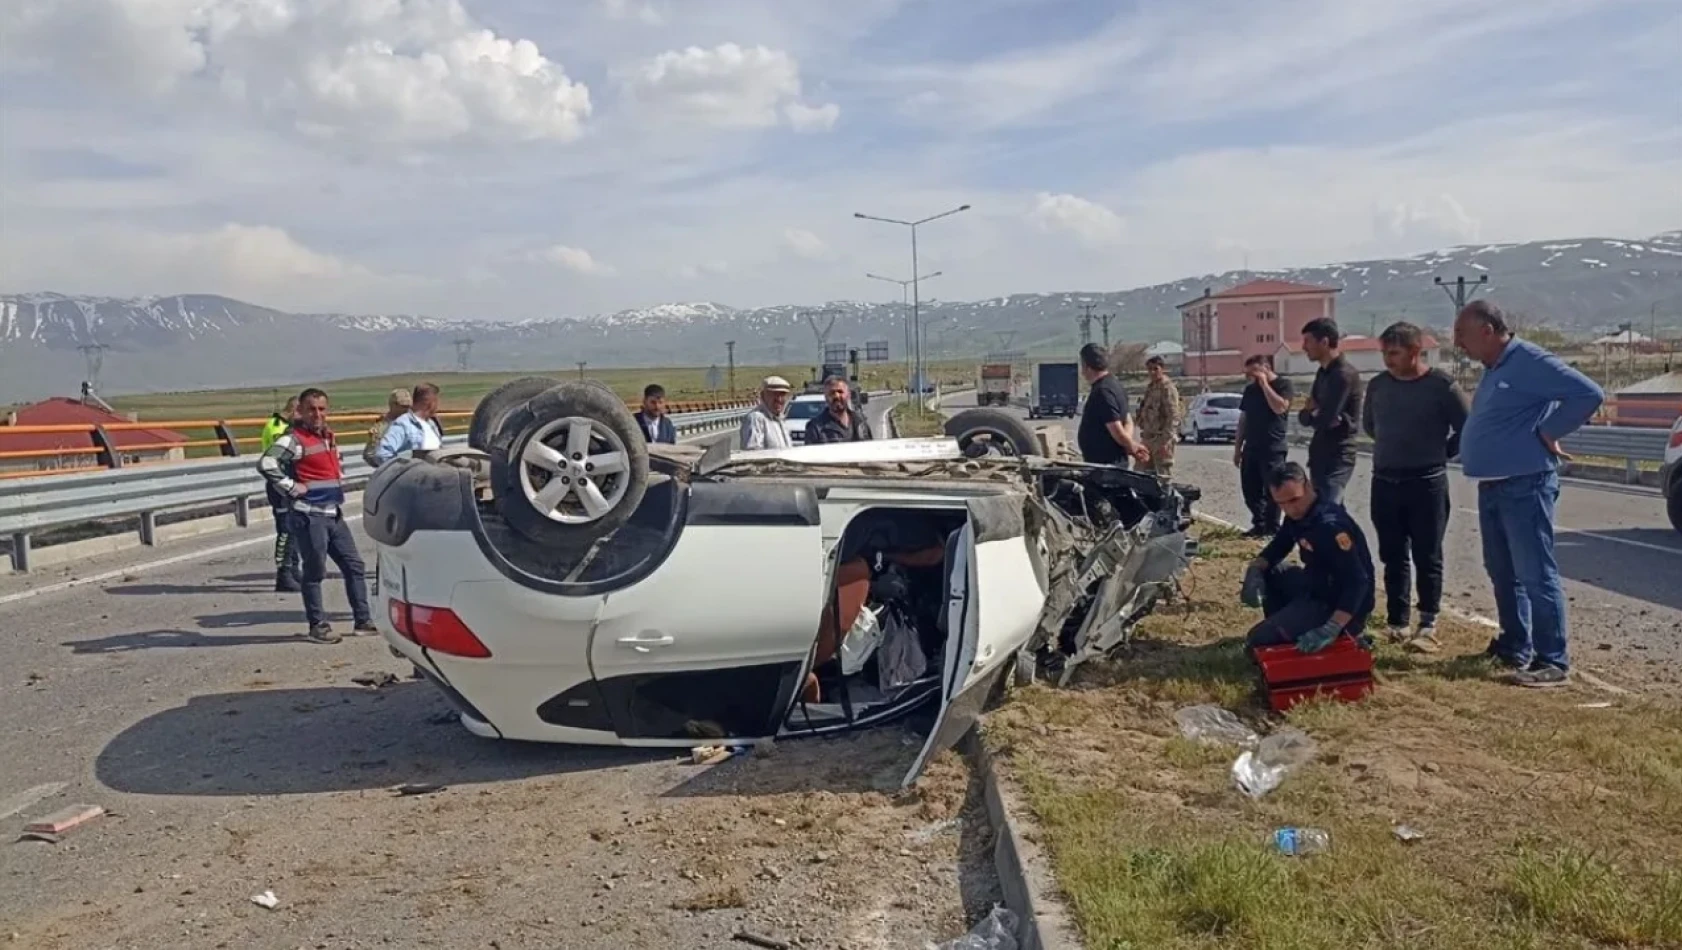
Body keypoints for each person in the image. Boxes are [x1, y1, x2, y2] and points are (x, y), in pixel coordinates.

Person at [1455, 300, 1603, 687]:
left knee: (1535, 573)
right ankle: (1514, 644)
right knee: (1502, 570)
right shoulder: (1496, 367)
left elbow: (1588, 394)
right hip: (1495, 483)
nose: (1458, 345)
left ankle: (1552, 660)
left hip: (1526, 483)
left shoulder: (1529, 360)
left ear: (1487, 331)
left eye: (1462, 336)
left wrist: (1549, 431)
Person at [1362, 322, 1469, 651]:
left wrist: (1439, 453)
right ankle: (1396, 622)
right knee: (1392, 554)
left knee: (1427, 555)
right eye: (1384, 353)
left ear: (1414, 352)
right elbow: (1370, 426)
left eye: (1393, 353)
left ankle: (1427, 623)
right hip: (1385, 480)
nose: (1387, 360)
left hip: (1427, 483)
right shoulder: (1378, 386)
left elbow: (1466, 428)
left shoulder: (1441, 386)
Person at [258, 388, 376, 644]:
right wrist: (291, 487)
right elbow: (267, 464)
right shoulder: (294, 439)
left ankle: (363, 619)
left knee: (354, 566)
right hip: (309, 515)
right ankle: (317, 625)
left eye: (322, 409)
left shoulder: (328, 437)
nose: (317, 414)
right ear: (301, 410)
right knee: (315, 571)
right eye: (312, 409)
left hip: (333, 512)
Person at [1239, 461, 1376, 656]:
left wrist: (1332, 627)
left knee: (1257, 643)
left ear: (1308, 486)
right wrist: (1255, 569)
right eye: (1281, 504)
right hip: (1315, 588)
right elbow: (1278, 547)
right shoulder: (1299, 515)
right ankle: (1287, 626)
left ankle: (1340, 635)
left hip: (1337, 604)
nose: (1289, 509)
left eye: (1294, 500)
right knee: (1274, 571)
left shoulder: (1330, 526)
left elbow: (1358, 582)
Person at [1297, 318, 1362, 506]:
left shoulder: (1343, 375)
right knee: (1328, 513)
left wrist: (1315, 413)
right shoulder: (1322, 374)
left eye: (1307, 341)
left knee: (1329, 508)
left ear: (1324, 342)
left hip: (1338, 454)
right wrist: (1313, 413)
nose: (1303, 347)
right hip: (1320, 453)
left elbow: (1327, 418)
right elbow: (1306, 416)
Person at [1234, 355, 1294, 537]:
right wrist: (1238, 448)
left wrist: (1265, 385)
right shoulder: (1250, 390)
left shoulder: (1283, 385)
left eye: (1254, 373)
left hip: (1273, 447)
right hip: (1251, 446)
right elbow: (1243, 419)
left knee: (1273, 490)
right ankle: (1259, 524)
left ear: (1266, 367)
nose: (1250, 377)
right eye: (1248, 374)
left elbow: (1280, 407)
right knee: (1250, 490)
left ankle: (1272, 527)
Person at [1076, 343, 1149, 467]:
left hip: (1106, 468)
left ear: (1087, 367)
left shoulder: (1102, 392)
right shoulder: (1115, 385)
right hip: (1113, 463)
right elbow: (1127, 420)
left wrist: (1132, 446)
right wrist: (1127, 443)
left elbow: (1116, 429)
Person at [260, 396, 302, 592]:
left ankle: (294, 568)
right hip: (280, 484)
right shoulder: (278, 427)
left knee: (292, 528)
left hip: (287, 482)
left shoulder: (279, 423)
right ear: (295, 410)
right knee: (285, 529)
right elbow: (281, 457)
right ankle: (283, 573)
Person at [371, 382, 444, 465]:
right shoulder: (402, 425)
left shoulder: (431, 424)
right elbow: (381, 455)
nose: (404, 409)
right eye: (401, 406)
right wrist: (405, 470)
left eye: (406, 406)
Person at [1135, 356, 1182, 478]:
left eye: (1155, 369)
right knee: (1140, 474)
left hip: (1161, 438)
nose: (1152, 372)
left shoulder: (1167, 388)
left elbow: (1173, 416)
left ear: (1162, 369)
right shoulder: (1151, 387)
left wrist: (1166, 441)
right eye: (1149, 369)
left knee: (1162, 477)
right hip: (1148, 437)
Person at [805, 376, 874, 444]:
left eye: (840, 391)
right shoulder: (815, 428)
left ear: (848, 395)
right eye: (832, 393)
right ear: (826, 397)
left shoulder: (861, 422)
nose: (836, 396)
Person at [739, 376, 794, 450]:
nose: (779, 399)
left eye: (782, 394)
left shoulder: (780, 420)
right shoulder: (756, 419)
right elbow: (753, 454)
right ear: (763, 396)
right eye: (774, 394)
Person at [362, 389, 411, 467]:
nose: (406, 409)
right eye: (403, 406)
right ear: (392, 405)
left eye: (408, 406)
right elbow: (369, 454)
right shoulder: (382, 427)